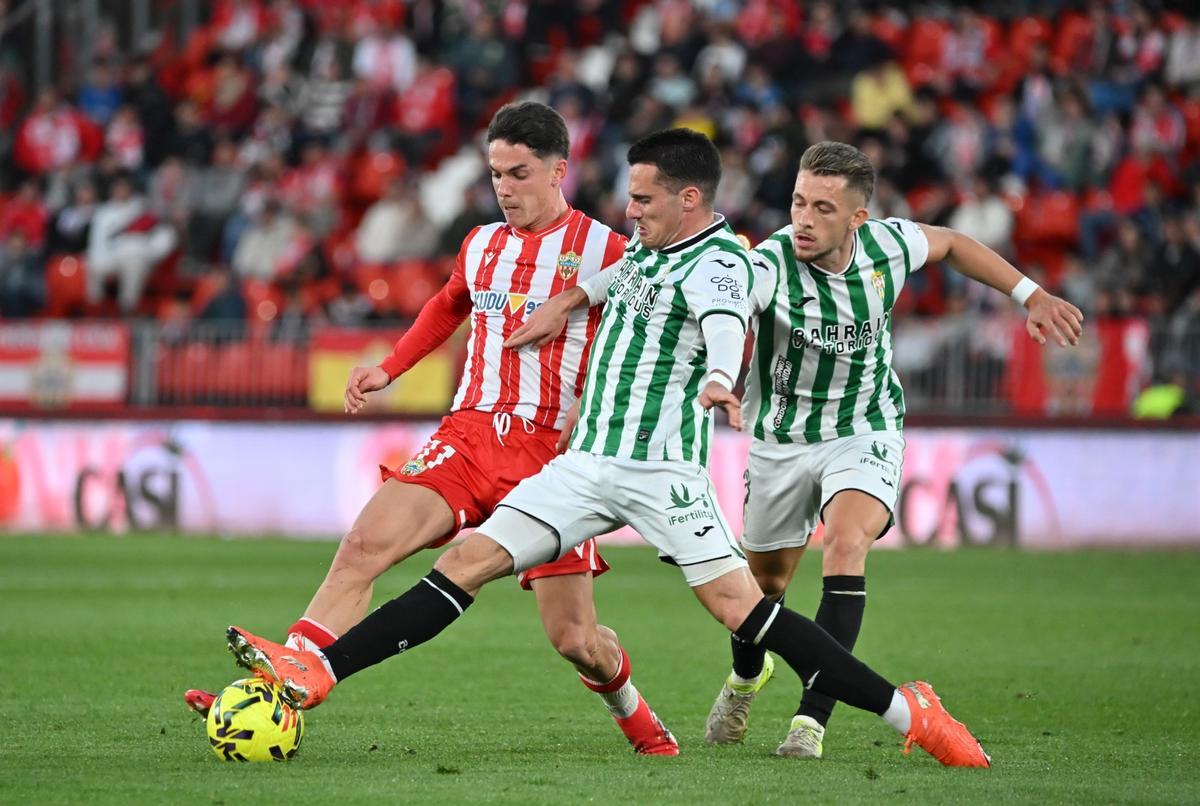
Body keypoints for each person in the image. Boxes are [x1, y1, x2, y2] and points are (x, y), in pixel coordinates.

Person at [225, 129, 991, 768]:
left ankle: (909, 713)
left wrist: (723, 377)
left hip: (664, 475)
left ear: (690, 200)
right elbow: (624, 270)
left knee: (746, 615)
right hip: (586, 466)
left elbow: (727, 321)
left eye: (644, 199)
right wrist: (569, 298)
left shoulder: (722, 262)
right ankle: (316, 671)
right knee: (462, 564)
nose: (631, 211)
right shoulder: (649, 249)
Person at [190, 102, 678, 756]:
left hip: (551, 457)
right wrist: (389, 367)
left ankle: (633, 711)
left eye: (520, 172)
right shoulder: (480, 245)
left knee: (576, 642)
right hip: (468, 436)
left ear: (559, 169)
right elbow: (448, 304)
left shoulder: (607, 252)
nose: (504, 186)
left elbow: (645, 346)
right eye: (496, 172)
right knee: (365, 544)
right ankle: (283, 686)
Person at [701, 141, 1083, 759]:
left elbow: (955, 243)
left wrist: (1030, 295)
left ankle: (810, 721)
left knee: (846, 544)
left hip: (864, 426)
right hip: (779, 439)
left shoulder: (888, 246)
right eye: (798, 202)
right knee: (763, 586)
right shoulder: (768, 263)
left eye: (823, 208)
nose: (803, 219)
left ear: (858, 219)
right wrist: (719, 373)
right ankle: (747, 678)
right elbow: (726, 307)